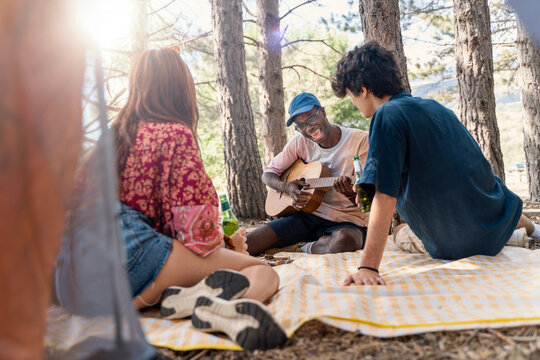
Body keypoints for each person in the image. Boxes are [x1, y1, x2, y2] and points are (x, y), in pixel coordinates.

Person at [112, 48, 286, 350]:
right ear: (181, 89)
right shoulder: (174, 134)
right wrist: (230, 246)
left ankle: (186, 296)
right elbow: (198, 236)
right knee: (260, 270)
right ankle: (225, 309)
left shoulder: (111, 134)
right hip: (128, 254)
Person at [330, 41, 540, 286]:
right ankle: (532, 231)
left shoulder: (385, 115)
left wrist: (368, 267)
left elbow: (384, 195)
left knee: (400, 233)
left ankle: (509, 240)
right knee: (495, 198)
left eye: (350, 96)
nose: (353, 104)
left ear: (363, 89)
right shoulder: (437, 108)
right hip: (494, 217)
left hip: (458, 241)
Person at [246, 93, 370, 255]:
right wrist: (286, 187)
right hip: (306, 215)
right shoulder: (300, 142)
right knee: (249, 242)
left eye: (311, 119)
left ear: (323, 112)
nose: (308, 128)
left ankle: (302, 247)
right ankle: (317, 244)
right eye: (301, 125)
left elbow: (368, 202)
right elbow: (268, 174)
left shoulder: (360, 141)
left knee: (344, 241)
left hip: (348, 220)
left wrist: (350, 194)